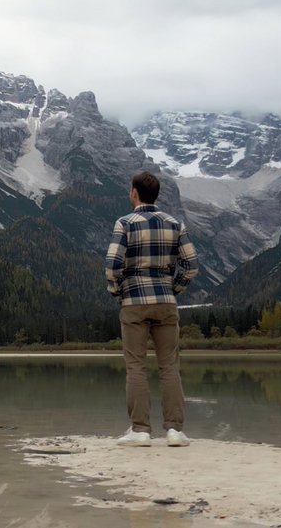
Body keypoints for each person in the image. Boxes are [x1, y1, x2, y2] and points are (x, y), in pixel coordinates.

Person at [104, 171, 198, 447]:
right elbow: (191, 265)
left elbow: (112, 265)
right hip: (166, 303)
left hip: (134, 302)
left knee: (136, 366)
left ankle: (141, 430)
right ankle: (174, 431)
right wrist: (174, 288)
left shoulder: (125, 223)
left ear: (134, 193)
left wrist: (118, 292)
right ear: (156, 194)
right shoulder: (175, 224)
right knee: (169, 365)